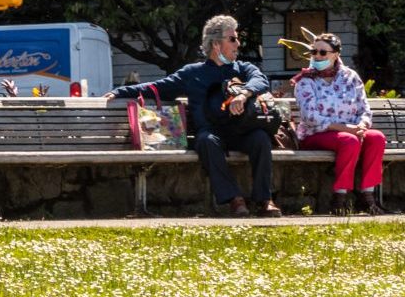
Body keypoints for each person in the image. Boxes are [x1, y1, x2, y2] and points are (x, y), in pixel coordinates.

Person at [105, 14, 281, 218]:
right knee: (206, 141)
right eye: (232, 39)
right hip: (212, 134)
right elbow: (157, 87)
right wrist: (119, 92)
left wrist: (243, 94)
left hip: (240, 131)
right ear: (216, 44)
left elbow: (261, 80)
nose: (238, 43)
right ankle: (235, 200)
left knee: (260, 138)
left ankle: (265, 200)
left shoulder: (243, 68)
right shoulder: (192, 73)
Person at [292, 32, 387, 216]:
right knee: (348, 140)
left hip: (349, 131)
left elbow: (364, 107)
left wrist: (362, 124)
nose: (317, 56)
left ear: (335, 54)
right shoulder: (305, 80)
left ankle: (367, 196)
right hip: (315, 134)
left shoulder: (350, 77)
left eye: (322, 52)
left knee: (376, 138)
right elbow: (310, 117)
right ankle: (339, 198)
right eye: (314, 52)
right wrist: (347, 129)